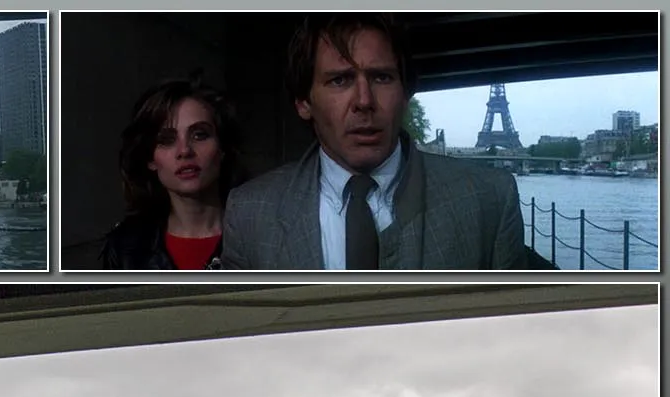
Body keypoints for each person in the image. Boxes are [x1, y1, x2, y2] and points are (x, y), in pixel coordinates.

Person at [221, 14, 535, 270]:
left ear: (406, 92)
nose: (364, 101)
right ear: (303, 102)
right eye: (340, 80)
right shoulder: (249, 212)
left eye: (381, 77)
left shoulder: (490, 200)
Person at [100, 78, 245, 270]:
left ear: (223, 148)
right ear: (150, 159)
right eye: (167, 140)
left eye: (199, 135)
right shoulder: (126, 248)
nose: (184, 151)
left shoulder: (261, 236)